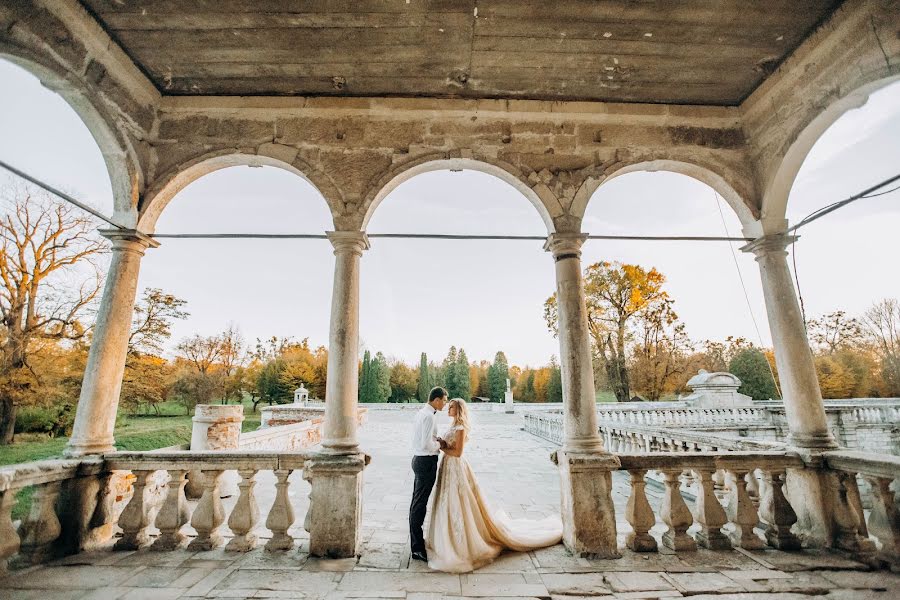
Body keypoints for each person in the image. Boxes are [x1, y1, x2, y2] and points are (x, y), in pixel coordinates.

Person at [425, 398, 563, 573]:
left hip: (456, 467)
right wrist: (443, 443)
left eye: (451, 407)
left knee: (459, 502)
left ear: (458, 409)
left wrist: (441, 446)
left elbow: (458, 453)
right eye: (448, 406)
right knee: (446, 502)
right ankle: (444, 540)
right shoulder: (452, 425)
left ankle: (461, 544)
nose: (448, 409)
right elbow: (449, 445)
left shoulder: (460, 428)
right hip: (447, 467)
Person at [409, 386, 447, 562]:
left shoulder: (421, 413)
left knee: (417, 503)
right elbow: (426, 444)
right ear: (437, 399)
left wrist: (434, 440)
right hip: (426, 462)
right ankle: (417, 548)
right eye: (444, 400)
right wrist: (440, 445)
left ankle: (416, 543)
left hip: (419, 459)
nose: (445, 404)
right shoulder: (429, 417)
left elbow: (423, 440)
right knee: (419, 505)